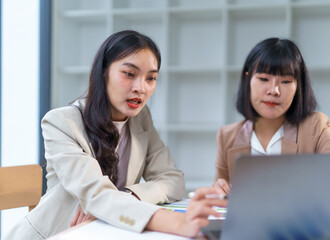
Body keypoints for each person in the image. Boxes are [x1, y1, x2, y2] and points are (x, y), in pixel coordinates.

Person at [5, 30, 227, 240]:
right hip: (60, 234)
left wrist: (129, 196)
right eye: (129, 74)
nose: (140, 87)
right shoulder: (61, 122)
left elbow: (173, 180)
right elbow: (97, 194)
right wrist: (178, 223)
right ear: (103, 72)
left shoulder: (140, 118)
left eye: (151, 78)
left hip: (109, 231)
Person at [213, 38, 330, 195]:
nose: (274, 90)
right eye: (263, 79)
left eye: (285, 81)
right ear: (247, 79)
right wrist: (219, 189)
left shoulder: (315, 127)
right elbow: (218, 199)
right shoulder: (227, 136)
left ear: (298, 86)